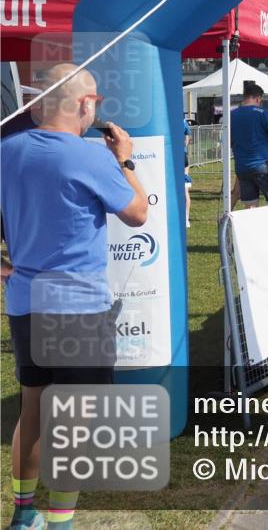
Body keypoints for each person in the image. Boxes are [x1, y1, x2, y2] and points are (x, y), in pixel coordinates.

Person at [1, 63, 148, 530]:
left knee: (33, 408)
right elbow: (138, 213)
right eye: (95, 103)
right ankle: (60, 521)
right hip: (78, 308)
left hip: (26, 302)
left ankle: (24, 514)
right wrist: (126, 160)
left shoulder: (7, 150)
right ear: (85, 104)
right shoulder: (90, 157)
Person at [230, 82, 268, 207]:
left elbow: (229, 141)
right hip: (262, 165)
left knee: (251, 205)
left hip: (242, 166)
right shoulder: (262, 112)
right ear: (258, 98)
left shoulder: (232, 114)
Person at [183, 115, 192, 227]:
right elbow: (187, 137)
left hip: (178, 155)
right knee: (185, 189)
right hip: (182, 154)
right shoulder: (183, 122)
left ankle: (186, 218)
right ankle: (186, 218)